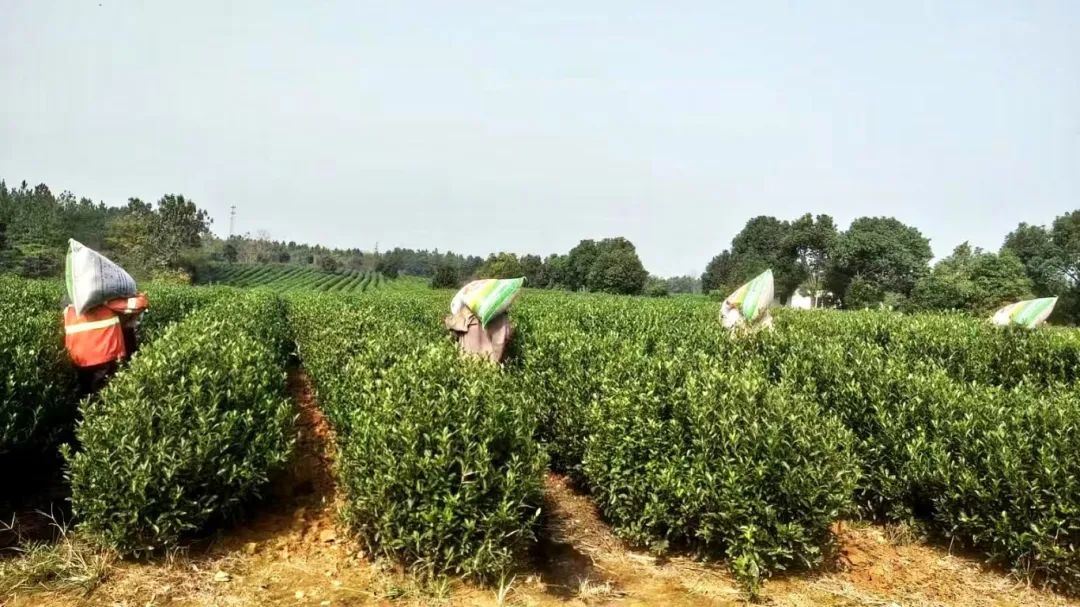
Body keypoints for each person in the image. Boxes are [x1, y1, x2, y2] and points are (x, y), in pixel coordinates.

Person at [64, 294, 149, 395]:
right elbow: (138, 304)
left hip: (78, 358)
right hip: (104, 356)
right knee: (103, 392)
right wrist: (140, 296)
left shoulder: (69, 304)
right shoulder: (107, 300)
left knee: (84, 391)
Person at [444, 306, 513, 364]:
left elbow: (453, 325)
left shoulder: (467, 308)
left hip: (468, 363)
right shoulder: (500, 313)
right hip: (493, 365)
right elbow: (506, 337)